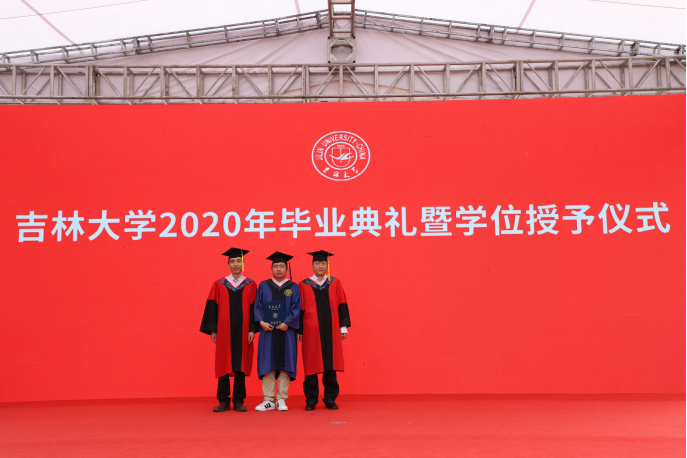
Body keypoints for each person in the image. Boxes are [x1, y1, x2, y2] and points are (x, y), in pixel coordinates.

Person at [199, 248, 258, 412]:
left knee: (241, 363)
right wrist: (213, 329)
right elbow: (212, 307)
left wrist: (252, 329)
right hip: (224, 330)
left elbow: (254, 308)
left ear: (243, 263)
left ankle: (239, 400)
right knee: (223, 362)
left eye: (238, 261)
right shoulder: (219, 284)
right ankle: (223, 400)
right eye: (232, 261)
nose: (235, 264)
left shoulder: (251, 284)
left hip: (244, 330)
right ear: (228, 264)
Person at [297, 250, 351, 410]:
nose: (320, 266)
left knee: (330, 364)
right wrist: (299, 330)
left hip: (332, 329)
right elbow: (300, 309)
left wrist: (343, 327)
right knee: (311, 363)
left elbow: (341, 303)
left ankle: (330, 398)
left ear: (327, 265)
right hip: (311, 331)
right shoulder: (304, 285)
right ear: (312, 265)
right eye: (317, 263)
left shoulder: (335, 283)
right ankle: (311, 399)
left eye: (323, 263)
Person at [253, 251, 301, 412]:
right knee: (268, 363)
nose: (279, 269)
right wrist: (261, 322)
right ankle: (268, 399)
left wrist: (287, 323)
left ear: (287, 268)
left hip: (286, 332)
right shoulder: (264, 285)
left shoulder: (293, 287)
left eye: (282, 266)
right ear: (271, 268)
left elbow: (296, 308)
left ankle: (281, 399)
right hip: (268, 331)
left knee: (285, 364)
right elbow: (258, 306)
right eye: (276, 266)